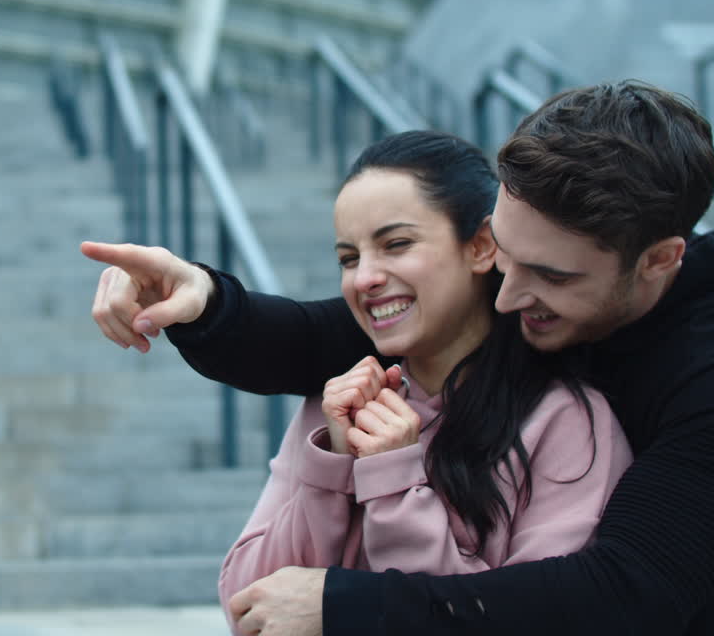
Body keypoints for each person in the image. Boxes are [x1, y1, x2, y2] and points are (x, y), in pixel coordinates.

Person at [82, 80, 714, 635]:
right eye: (504, 254)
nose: (504, 295)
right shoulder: (493, 288)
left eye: (550, 278)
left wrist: (346, 604)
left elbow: (623, 598)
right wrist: (203, 298)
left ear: (659, 260)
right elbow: (315, 336)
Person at [214, 132, 632, 633]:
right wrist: (334, 467)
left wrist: (394, 481)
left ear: (480, 247)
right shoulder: (336, 408)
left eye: (397, 244)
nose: (364, 277)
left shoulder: (566, 421)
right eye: (349, 258)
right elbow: (249, 607)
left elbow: (534, 618)